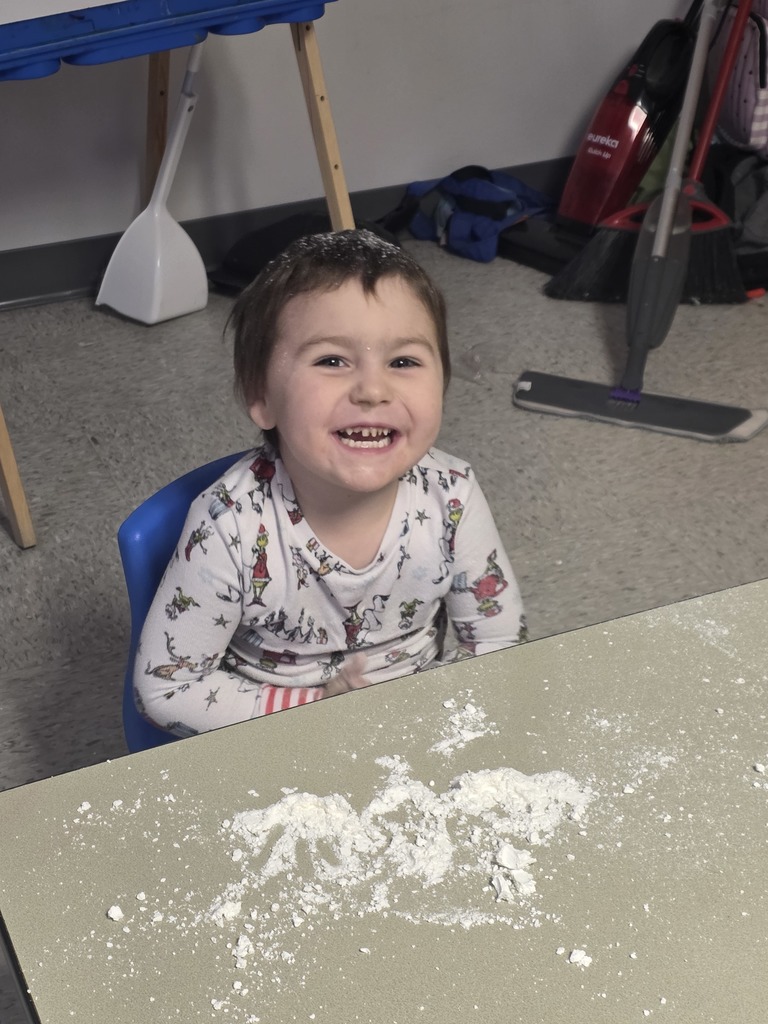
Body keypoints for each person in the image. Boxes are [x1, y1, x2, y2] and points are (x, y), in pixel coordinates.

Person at [134, 229, 526, 737]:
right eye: (331, 361)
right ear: (262, 397)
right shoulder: (228, 527)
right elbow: (167, 689)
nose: (372, 389)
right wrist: (313, 708)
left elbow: (497, 644)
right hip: (279, 735)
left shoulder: (452, 495)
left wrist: (427, 713)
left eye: (403, 361)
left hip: (419, 720)